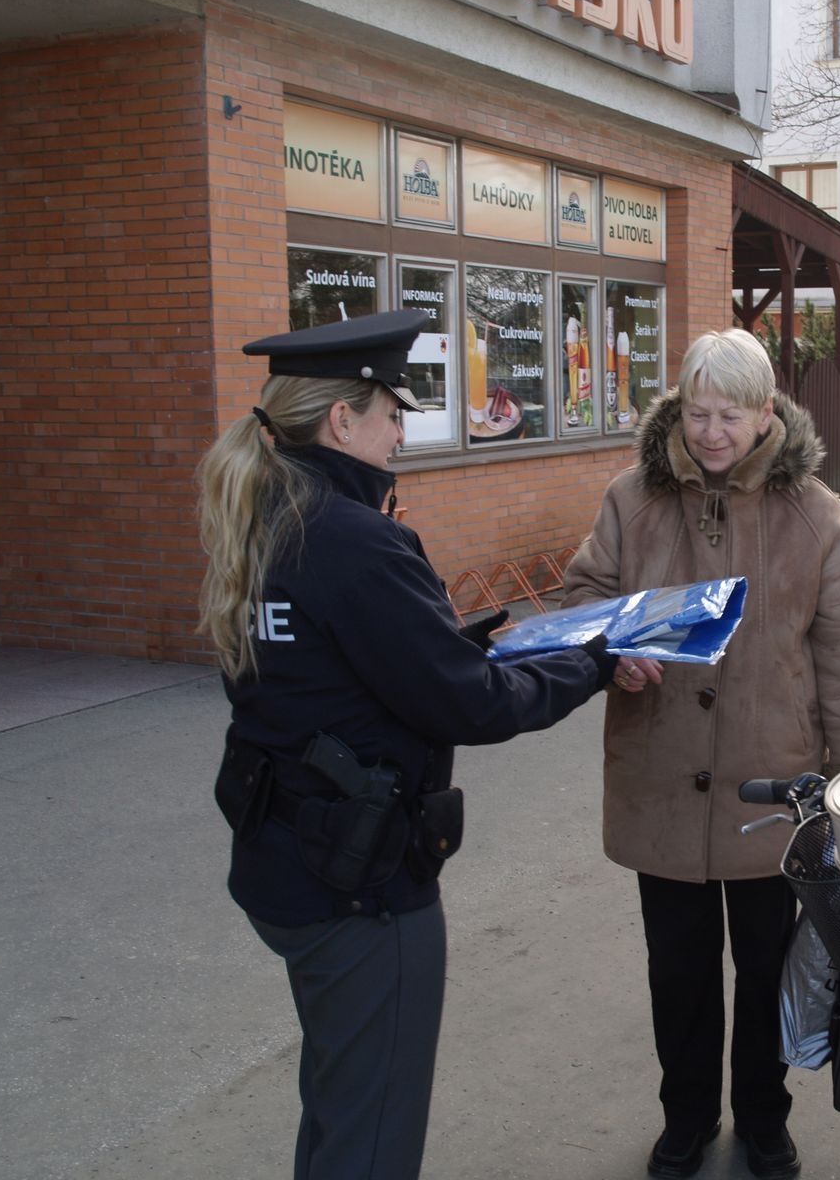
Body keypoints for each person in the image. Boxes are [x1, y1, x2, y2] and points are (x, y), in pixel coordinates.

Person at [197, 309, 617, 1180]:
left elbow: (326, 671)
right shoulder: (352, 538)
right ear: (342, 419)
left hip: (287, 858)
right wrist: (593, 663)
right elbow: (472, 707)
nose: (401, 430)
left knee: (342, 1104)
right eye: (393, 411)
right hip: (361, 887)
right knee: (373, 1136)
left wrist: (448, 644)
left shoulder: (270, 514)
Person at [561, 328, 840, 1180]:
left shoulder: (815, 512)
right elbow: (586, 591)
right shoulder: (633, 498)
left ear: (765, 413)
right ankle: (687, 1117)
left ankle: (765, 1120)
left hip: (772, 788)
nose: (710, 433)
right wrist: (610, 648)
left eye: (729, 416)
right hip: (660, 776)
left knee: (769, 968)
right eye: (698, 413)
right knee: (680, 973)